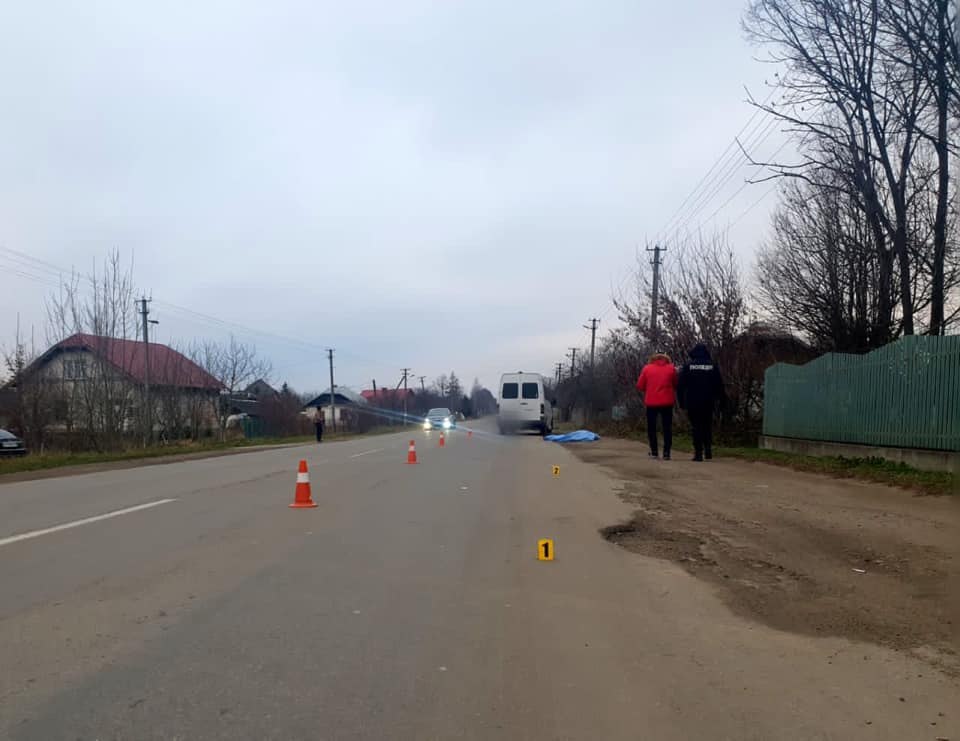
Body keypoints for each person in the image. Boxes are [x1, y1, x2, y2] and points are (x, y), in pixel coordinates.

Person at [677, 343, 727, 462]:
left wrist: (681, 402)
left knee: (696, 427)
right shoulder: (712, 366)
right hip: (708, 401)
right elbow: (719, 385)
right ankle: (708, 450)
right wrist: (722, 401)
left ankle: (698, 453)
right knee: (707, 425)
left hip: (693, 401)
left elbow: (680, 386)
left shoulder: (688, 366)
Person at [636, 351, 678, 460]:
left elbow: (640, 385)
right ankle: (666, 453)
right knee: (667, 427)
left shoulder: (647, 368)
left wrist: (650, 389)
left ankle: (654, 451)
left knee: (652, 427)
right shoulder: (671, 368)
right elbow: (675, 384)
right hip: (667, 402)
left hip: (651, 402)